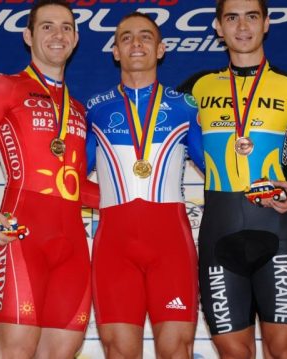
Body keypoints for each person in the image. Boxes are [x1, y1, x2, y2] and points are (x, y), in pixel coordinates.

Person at [178, 0, 287, 358]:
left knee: (285, 350)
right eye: (232, 17)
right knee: (233, 352)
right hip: (219, 237)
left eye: (251, 16)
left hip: (278, 234)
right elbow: (158, 141)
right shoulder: (196, 88)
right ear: (218, 26)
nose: (242, 26)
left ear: (266, 24)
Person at [0, 1, 95, 358]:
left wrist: (135, 202)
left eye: (65, 28)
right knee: (15, 353)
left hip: (72, 246)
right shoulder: (5, 86)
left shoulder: (78, 109)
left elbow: (76, 186)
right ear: (28, 36)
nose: (57, 35)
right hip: (20, 237)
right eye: (47, 27)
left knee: (60, 354)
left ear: (75, 39)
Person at [85, 12, 205, 359]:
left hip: (172, 246)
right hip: (114, 247)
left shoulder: (186, 107)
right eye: (126, 38)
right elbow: (71, 179)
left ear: (162, 49)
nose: (136, 44)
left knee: (176, 350)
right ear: (116, 52)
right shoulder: (96, 110)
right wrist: (108, 199)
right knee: (119, 351)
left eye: (146, 37)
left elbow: (215, 171)